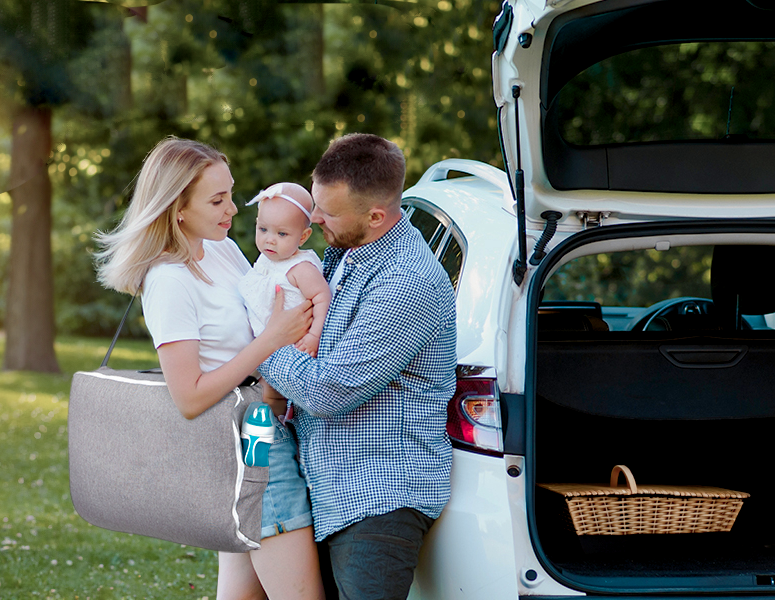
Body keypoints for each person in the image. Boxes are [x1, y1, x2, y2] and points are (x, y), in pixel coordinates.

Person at [94, 136, 325, 600]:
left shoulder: (217, 247)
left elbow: (268, 301)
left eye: (231, 193)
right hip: (244, 439)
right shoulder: (169, 280)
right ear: (178, 207)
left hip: (257, 423)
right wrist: (271, 342)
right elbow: (190, 397)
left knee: (242, 592)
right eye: (217, 200)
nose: (233, 210)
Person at [259, 133, 457, 599]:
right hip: (327, 484)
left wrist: (264, 344)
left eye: (327, 211)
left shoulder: (407, 282)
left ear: (376, 216)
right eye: (316, 201)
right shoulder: (346, 252)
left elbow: (329, 391)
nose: (312, 217)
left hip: (377, 498)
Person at [239, 181, 331, 413]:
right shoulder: (268, 259)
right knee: (264, 387)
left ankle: (278, 426)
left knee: (274, 393)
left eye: (281, 233)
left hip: (290, 343)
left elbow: (322, 297)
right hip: (267, 339)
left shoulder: (301, 268)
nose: (270, 239)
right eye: (263, 230)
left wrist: (314, 335)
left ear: (303, 236)